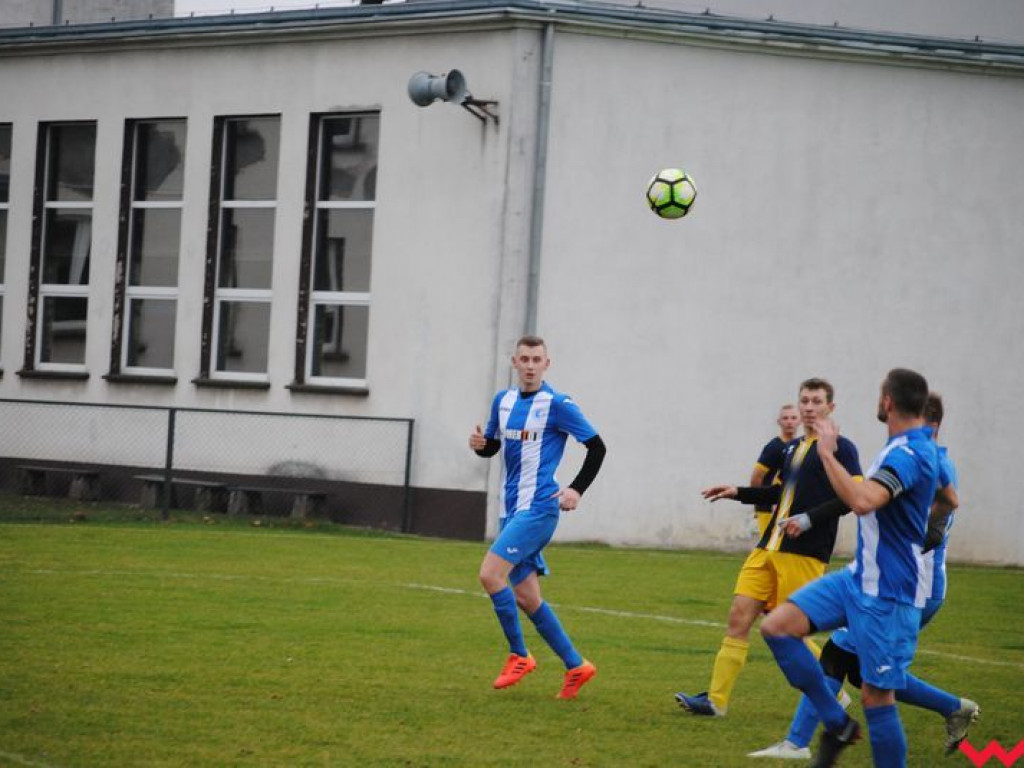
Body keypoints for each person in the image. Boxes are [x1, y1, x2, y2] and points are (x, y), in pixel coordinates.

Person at [749, 392, 979, 761]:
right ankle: (952, 707)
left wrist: (882, 529)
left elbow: (933, 529)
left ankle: (799, 742)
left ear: (929, 423)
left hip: (908, 590)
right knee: (859, 673)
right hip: (883, 584)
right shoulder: (912, 456)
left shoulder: (928, 462)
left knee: (847, 664)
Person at [676, 378, 862, 717]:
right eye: (804, 400)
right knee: (738, 617)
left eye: (816, 401)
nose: (808, 407)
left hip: (804, 553)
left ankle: (833, 692)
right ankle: (716, 701)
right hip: (768, 548)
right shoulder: (793, 448)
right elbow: (782, 494)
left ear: (830, 407)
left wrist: (809, 519)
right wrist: (738, 492)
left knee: (791, 632)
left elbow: (854, 497)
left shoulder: (842, 448)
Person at [469, 335, 607, 699]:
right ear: (514, 362)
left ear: (547, 364)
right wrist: (482, 447)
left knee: (489, 574)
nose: (530, 366)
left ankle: (519, 655)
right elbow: (494, 445)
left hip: (539, 508)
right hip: (511, 510)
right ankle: (576, 665)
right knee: (528, 598)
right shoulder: (503, 401)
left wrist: (576, 489)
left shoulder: (558, 404)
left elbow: (597, 447)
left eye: (536, 360)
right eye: (525, 359)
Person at [750, 404, 801, 538]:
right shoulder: (774, 447)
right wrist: (760, 502)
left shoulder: (799, 446)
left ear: (800, 421)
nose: (789, 422)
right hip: (768, 507)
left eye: (793, 418)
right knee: (768, 544)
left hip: (787, 506)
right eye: (785, 418)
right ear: (779, 422)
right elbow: (756, 478)